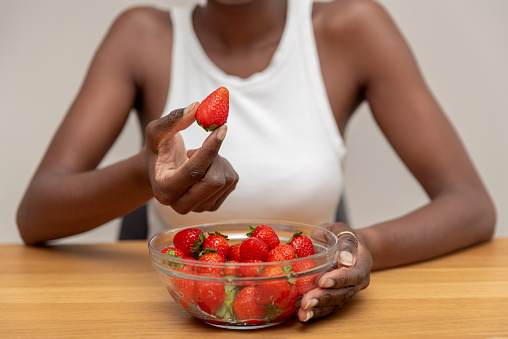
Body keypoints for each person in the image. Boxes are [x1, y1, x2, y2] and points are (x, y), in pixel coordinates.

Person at [16, 0, 496, 323]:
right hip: (186, 318)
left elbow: (471, 205)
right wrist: (145, 173)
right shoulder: (142, 35)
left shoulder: (353, 27)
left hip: (311, 319)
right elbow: (36, 215)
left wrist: (355, 245)